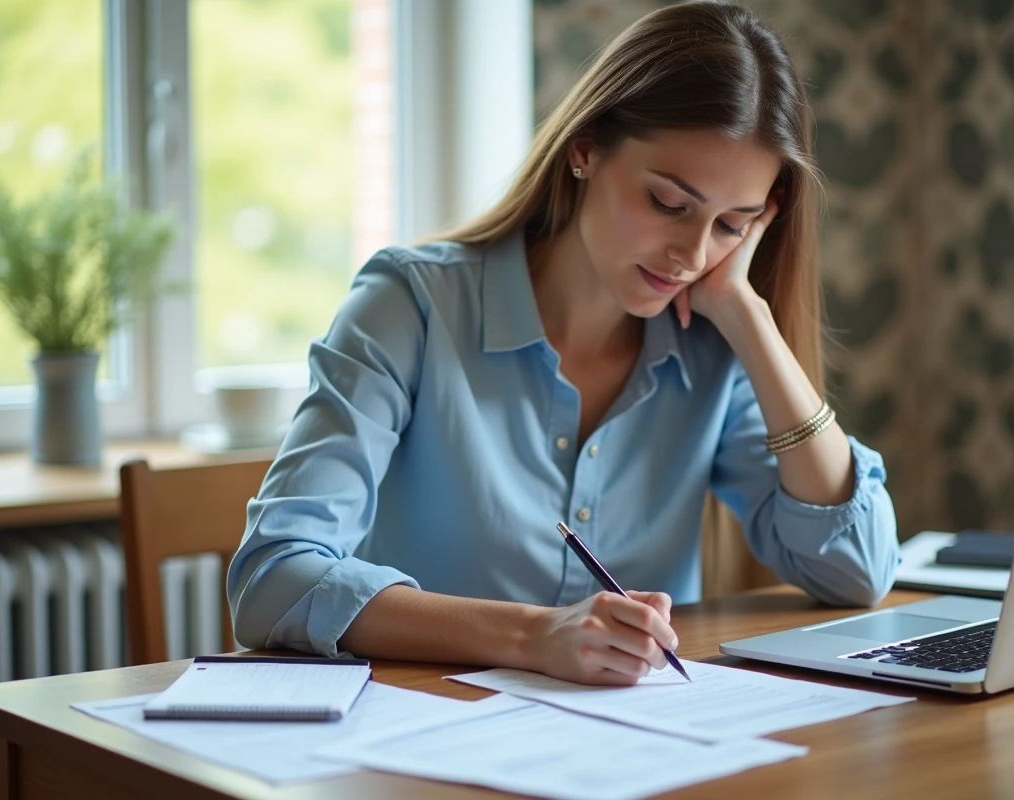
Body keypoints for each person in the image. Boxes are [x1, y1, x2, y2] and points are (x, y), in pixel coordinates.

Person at [227, 1, 898, 686]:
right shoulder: (411, 304)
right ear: (585, 149)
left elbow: (856, 571)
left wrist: (748, 314)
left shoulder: (712, 348)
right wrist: (535, 636)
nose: (692, 253)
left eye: (732, 223)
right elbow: (273, 577)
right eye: (669, 203)